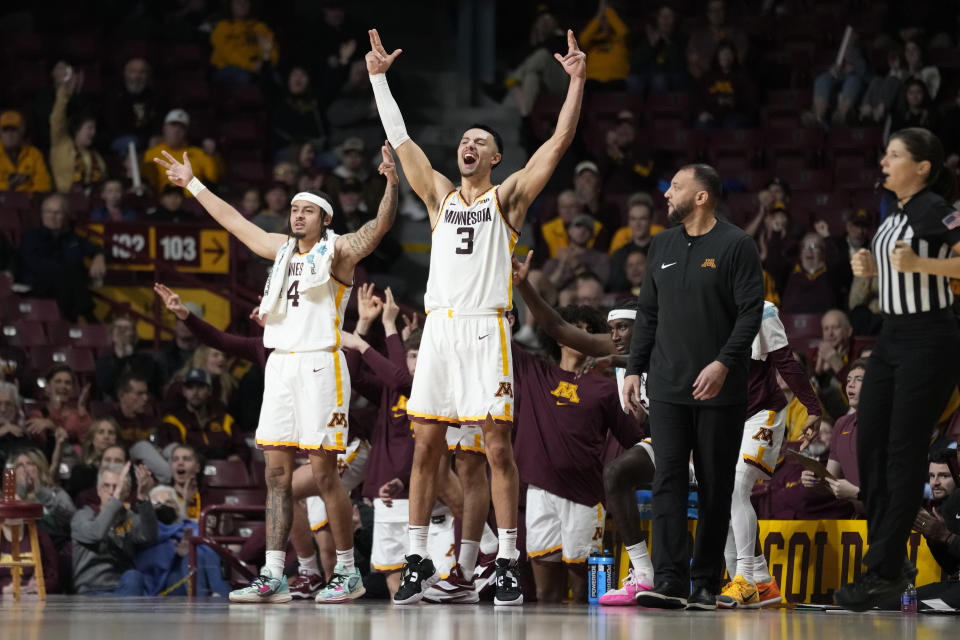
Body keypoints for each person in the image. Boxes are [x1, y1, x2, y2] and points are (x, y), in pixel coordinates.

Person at [365, 26, 585, 606]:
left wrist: (577, 82)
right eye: (464, 139)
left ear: (495, 156)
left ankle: (507, 561)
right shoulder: (437, 197)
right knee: (427, 446)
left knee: (496, 448)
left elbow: (558, 143)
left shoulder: (506, 199)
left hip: (487, 327)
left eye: (480, 140)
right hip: (440, 327)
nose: (468, 145)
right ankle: (417, 559)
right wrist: (379, 81)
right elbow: (403, 140)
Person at [153, 126, 398, 604]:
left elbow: (380, 227)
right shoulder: (279, 249)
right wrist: (193, 184)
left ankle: (347, 572)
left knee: (325, 473)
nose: (297, 215)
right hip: (281, 367)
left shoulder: (339, 251)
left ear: (324, 219)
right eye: (294, 209)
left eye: (307, 210)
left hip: (320, 365)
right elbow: (234, 222)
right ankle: (274, 575)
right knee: (276, 475)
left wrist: (390, 183)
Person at [621, 164, 764, 610]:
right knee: (667, 482)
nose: (667, 193)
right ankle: (668, 579)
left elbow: (749, 313)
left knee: (716, 485)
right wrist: (632, 369)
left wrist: (723, 363)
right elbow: (647, 314)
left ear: (701, 197)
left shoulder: (737, 245)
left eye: (676, 186)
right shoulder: (661, 244)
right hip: (666, 386)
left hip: (719, 388)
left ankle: (704, 581)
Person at [833, 128, 960, 610]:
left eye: (895, 154)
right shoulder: (893, 215)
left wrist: (924, 266)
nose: (884, 161)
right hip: (892, 336)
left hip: (930, 337)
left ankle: (883, 570)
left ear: (923, 167)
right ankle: (892, 557)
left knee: (904, 452)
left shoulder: (940, 210)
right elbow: (897, 270)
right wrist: (870, 271)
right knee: (868, 444)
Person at [513, 305, 644, 602]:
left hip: (586, 496)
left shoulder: (607, 389)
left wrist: (642, 417)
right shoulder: (534, 372)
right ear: (559, 336)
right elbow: (496, 340)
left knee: (585, 592)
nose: (583, 335)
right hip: (539, 492)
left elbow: (633, 438)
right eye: (576, 328)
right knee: (546, 592)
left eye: (589, 330)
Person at [717, 302, 821, 609]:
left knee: (737, 486)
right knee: (719, 495)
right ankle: (761, 582)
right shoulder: (702, 305)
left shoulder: (762, 310)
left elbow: (785, 361)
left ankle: (745, 580)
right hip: (722, 416)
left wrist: (813, 407)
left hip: (763, 412)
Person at [71, 461, 158, 595]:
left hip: (122, 588)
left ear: (127, 491)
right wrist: (117, 498)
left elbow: (150, 535)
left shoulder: (128, 517)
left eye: (117, 487)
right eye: (107, 486)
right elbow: (96, 533)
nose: (112, 492)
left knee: (134, 577)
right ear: (98, 490)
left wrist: (143, 497)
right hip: (91, 590)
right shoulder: (82, 516)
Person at [17, 193, 106, 322]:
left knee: (68, 278)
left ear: (66, 216)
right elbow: (34, 265)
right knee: (66, 273)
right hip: (39, 288)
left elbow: (95, 248)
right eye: (49, 212)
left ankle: (83, 317)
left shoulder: (72, 238)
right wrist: (64, 270)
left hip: (68, 293)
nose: (53, 217)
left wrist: (99, 258)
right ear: (42, 214)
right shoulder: (31, 236)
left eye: (58, 213)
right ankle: (89, 315)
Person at [157, 368, 244, 461]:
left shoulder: (224, 419)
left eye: (201, 387)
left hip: (224, 469)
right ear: (184, 391)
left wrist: (238, 456)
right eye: (190, 387)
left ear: (210, 391)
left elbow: (242, 448)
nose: (195, 392)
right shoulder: (173, 421)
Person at [49, 67, 106, 194]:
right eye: (89, 128)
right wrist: (64, 91)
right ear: (77, 130)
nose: (93, 132)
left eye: (95, 128)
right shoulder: (61, 145)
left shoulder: (96, 157)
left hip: (90, 205)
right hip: (66, 201)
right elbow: (57, 119)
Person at [142, 109, 221, 195]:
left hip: (195, 202)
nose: (176, 130)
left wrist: (212, 155)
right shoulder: (152, 153)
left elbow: (214, 177)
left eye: (181, 127)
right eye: (173, 125)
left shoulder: (198, 153)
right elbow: (147, 182)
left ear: (186, 132)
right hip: (166, 201)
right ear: (164, 128)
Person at [209, 0, 278, 84]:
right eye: (238, 2)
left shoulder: (259, 27)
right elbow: (228, 53)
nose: (242, 5)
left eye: (246, 2)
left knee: (275, 78)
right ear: (230, 5)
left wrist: (265, 65)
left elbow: (272, 48)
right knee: (243, 77)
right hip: (228, 68)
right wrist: (252, 66)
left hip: (258, 67)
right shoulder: (223, 27)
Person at [94, 315, 162, 400]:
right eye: (118, 328)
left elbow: (145, 382)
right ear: (112, 335)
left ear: (133, 335)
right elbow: (105, 386)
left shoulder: (145, 360)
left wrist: (127, 355)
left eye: (126, 328)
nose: (122, 331)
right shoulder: (104, 361)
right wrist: (121, 358)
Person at [0, 109, 52, 192]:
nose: (9, 134)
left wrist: (25, 197)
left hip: (29, 202)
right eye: (5, 129)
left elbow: (44, 185)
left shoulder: (34, 154)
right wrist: (9, 186)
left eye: (14, 129)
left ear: (22, 131)